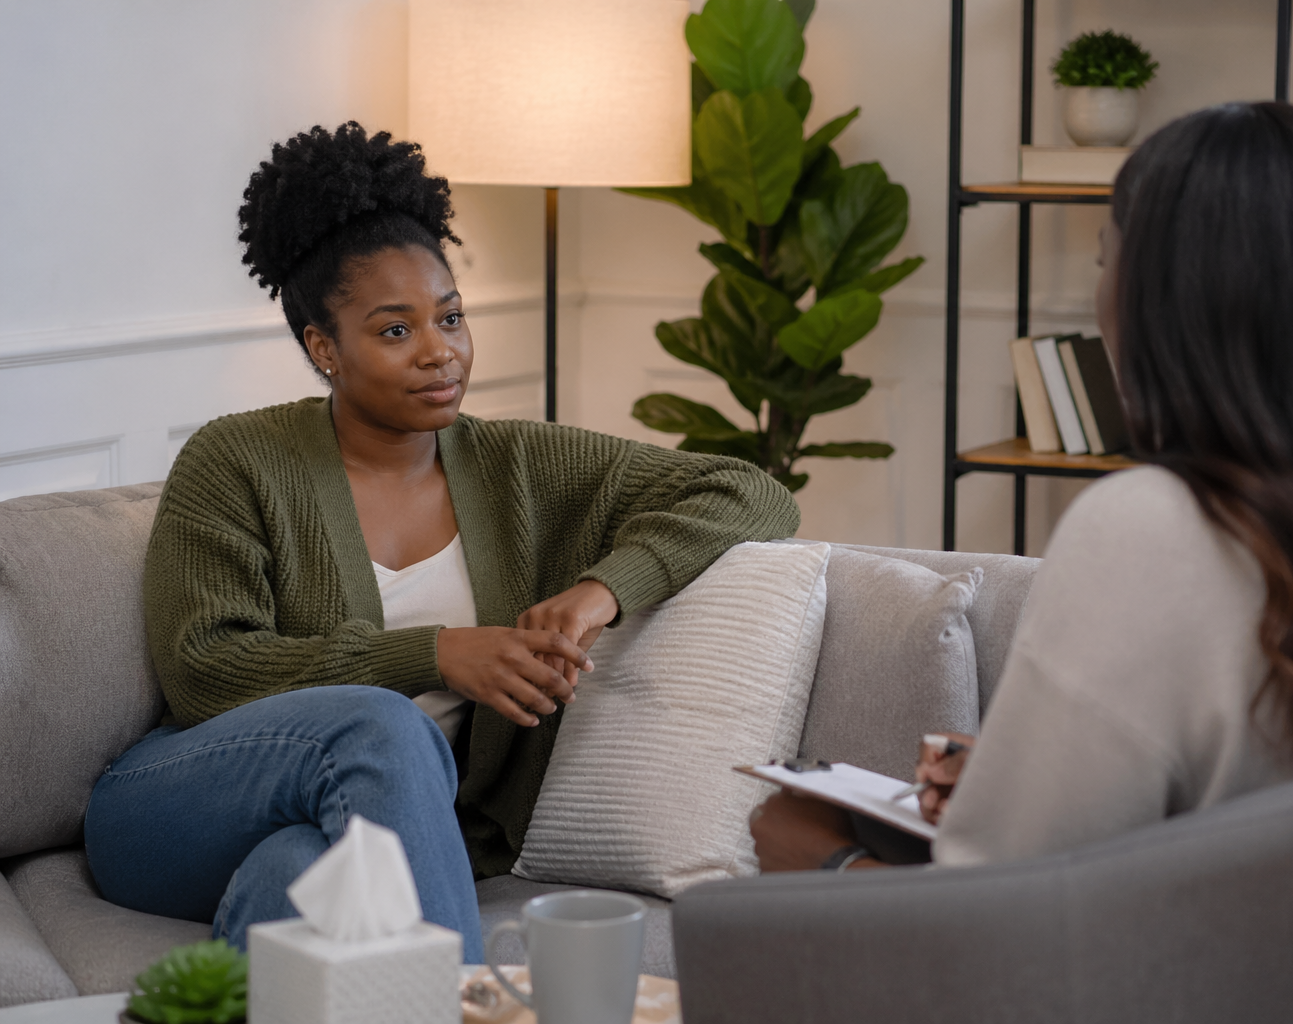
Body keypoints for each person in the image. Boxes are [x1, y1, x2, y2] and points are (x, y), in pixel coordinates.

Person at [751, 101, 1293, 874]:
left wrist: (829, 862)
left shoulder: (1151, 526)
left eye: (1105, 261)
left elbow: (999, 927)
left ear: (1168, 298)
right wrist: (1029, 776)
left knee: (783, 831)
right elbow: (1279, 811)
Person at [83, 123, 801, 959]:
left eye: (450, 317)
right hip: (178, 807)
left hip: (355, 829)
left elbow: (752, 491)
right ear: (325, 348)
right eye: (396, 331)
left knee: (297, 873)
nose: (441, 353)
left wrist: (598, 591)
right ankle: (467, 1008)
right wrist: (437, 654)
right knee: (383, 726)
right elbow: (207, 672)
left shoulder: (521, 463)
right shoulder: (238, 458)